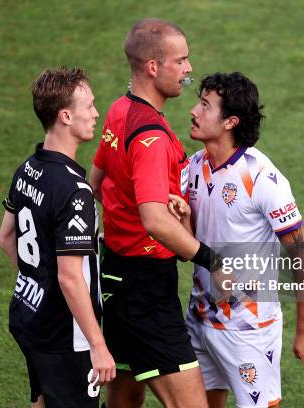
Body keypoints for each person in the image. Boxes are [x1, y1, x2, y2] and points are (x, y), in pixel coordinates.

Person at [168, 72, 304, 408]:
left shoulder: (262, 178)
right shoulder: (192, 167)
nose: (193, 110)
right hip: (199, 318)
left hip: (249, 328)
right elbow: (189, 248)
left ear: (230, 122)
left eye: (205, 105)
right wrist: (181, 218)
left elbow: (302, 252)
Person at [89, 18, 218, 408]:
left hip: (114, 275)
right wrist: (212, 259)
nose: (188, 69)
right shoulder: (152, 138)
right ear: (153, 67)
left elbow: (95, 184)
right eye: (181, 61)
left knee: (125, 400)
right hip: (144, 291)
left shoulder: (118, 110)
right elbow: (154, 221)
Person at [0, 67, 115, 408]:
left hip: (26, 315)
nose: (95, 114)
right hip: (64, 336)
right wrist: (98, 345)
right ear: (65, 116)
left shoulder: (27, 169)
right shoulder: (75, 191)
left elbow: (6, 238)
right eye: (89, 106)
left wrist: (38, 284)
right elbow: (69, 277)